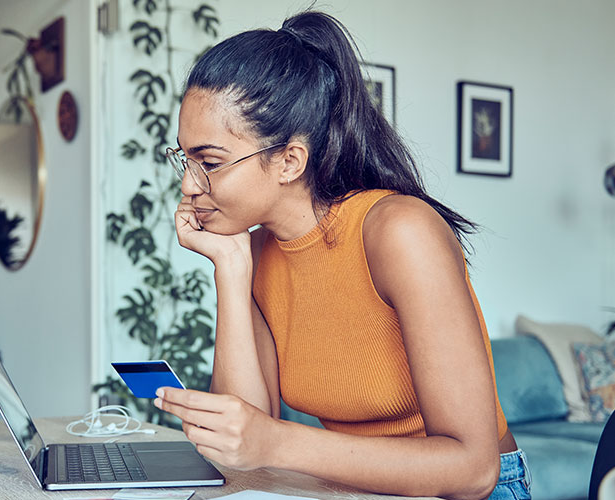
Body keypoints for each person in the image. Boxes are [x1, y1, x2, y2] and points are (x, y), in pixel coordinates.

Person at [153, 10, 531, 500]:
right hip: (355, 489)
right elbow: (244, 442)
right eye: (185, 159)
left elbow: (472, 469)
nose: (188, 185)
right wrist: (229, 267)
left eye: (210, 162)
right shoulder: (258, 247)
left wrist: (276, 442)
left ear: (289, 160)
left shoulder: (399, 231)